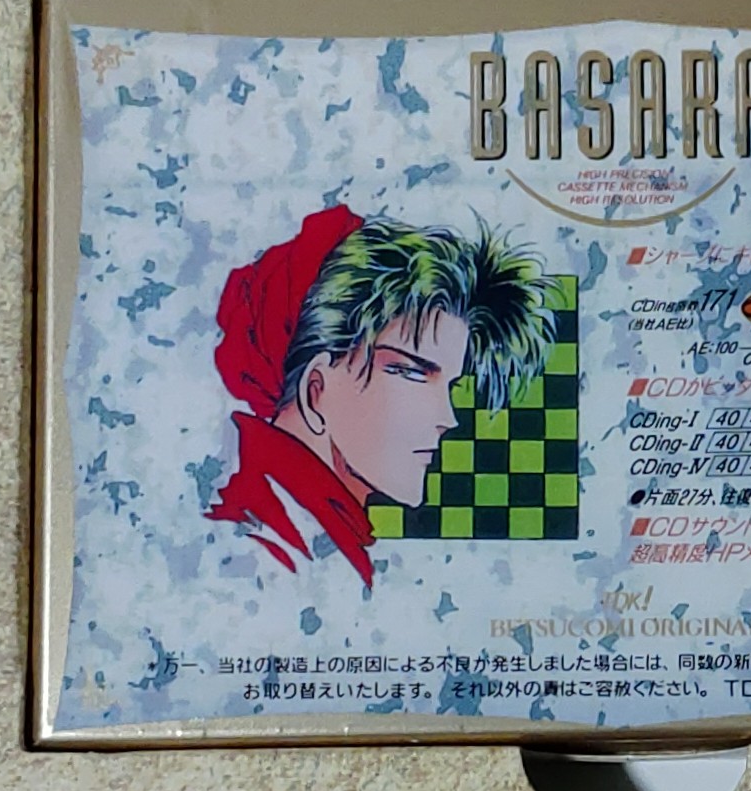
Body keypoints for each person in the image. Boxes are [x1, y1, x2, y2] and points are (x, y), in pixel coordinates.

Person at [207, 205, 556, 585]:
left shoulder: (309, 537)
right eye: (411, 372)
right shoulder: (273, 548)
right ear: (315, 391)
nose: (449, 418)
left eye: (451, 386)